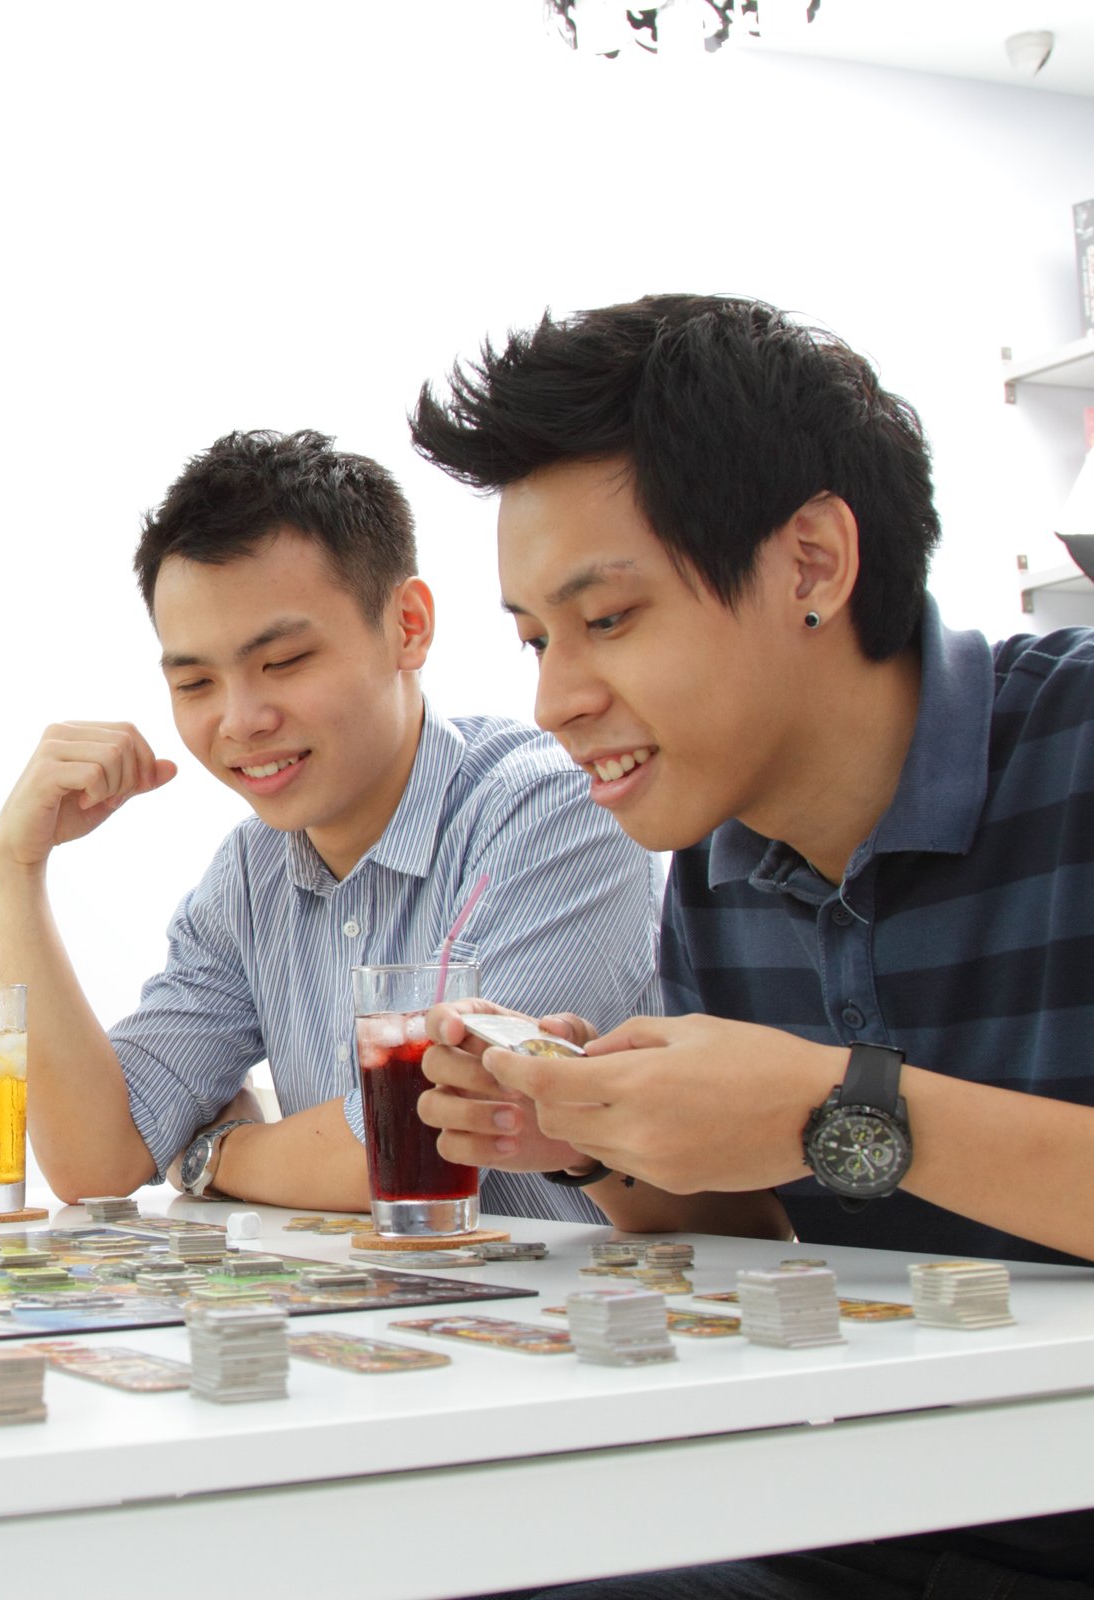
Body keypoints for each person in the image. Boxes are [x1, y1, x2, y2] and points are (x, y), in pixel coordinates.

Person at [410, 292, 1094, 1595]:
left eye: (607, 620)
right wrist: (602, 1142)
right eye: (537, 640)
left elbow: (829, 1130)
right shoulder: (719, 860)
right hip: (851, 1524)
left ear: (814, 566)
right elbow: (773, 1247)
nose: (555, 700)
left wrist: (839, 1106)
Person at [0, 428, 657, 1222]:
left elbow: (433, 1130)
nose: (241, 720)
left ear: (408, 625)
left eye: (285, 663)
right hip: (372, 1330)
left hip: (576, 1331)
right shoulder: (249, 878)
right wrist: (17, 869)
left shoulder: (553, 813)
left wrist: (214, 1154)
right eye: (196, 680)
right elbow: (94, 1159)